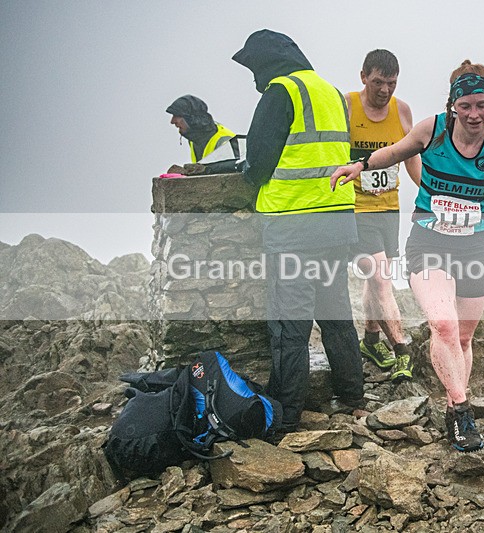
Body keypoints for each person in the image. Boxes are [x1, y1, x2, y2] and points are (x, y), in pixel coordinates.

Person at [332, 60, 484, 452]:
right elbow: (395, 152)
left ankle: (457, 399)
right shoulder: (432, 129)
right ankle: (460, 410)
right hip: (428, 240)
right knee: (443, 326)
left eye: (482, 105)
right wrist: (360, 165)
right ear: (453, 104)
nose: (474, 114)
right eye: (466, 106)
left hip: (474, 245)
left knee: (465, 337)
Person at [232, 29, 364, 434]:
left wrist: (249, 175)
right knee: (336, 313)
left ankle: (286, 413)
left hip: (293, 225)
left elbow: (258, 162)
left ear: (266, 62)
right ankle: (353, 395)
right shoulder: (331, 92)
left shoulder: (279, 92)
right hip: (336, 221)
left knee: (290, 324)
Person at [345, 49, 421, 382]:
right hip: (355, 208)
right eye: (378, 82)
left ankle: (371, 340)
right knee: (380, 278)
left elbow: (410, 156)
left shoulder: (402, 111)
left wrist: (427, 190)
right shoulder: (346, 105)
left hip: (389, 207)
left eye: (391, 83)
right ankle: (402, 348)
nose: (385, 90)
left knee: (375, 278)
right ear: (363, 76)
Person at [166, 95, 241, 163]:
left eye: (177, 116)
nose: (172, 121)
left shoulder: (225, 141)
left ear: (192, 119)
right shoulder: (194, 141)